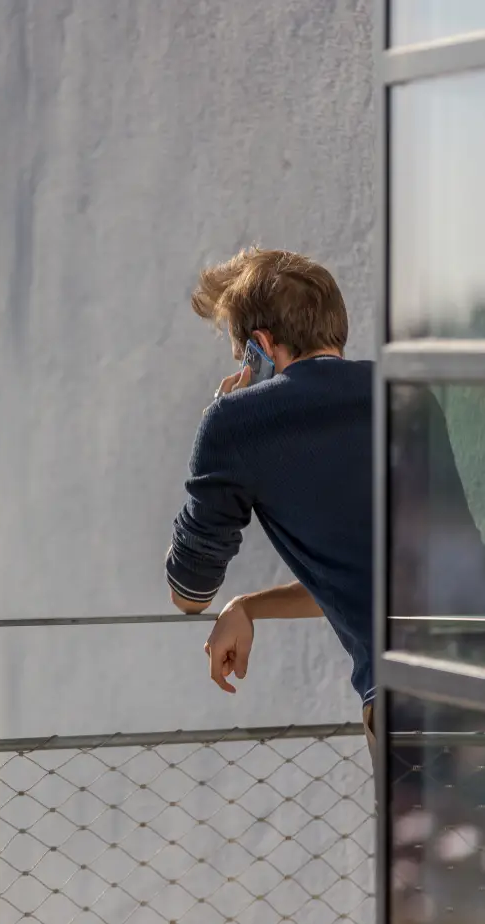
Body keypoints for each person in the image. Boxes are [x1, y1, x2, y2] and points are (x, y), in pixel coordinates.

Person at [165, 248, 377, 755]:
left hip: (414, 700)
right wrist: (249, 607)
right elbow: (367, 580)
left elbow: (189, 592)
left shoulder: (239, 422)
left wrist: (220, 414)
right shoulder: (407, 391)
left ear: (260, 346)